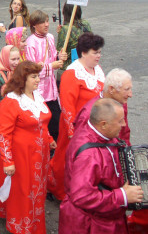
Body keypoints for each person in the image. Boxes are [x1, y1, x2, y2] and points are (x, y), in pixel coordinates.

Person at [58, 98, 143, 234]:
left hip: (104, 218)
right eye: (120, 121)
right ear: (103, 124)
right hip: (90, 225)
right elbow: (82, 196)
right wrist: (123, 195)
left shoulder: (102, 134)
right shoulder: (88, 156)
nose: (123, 125)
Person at [0, 61, 56, 234]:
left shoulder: (37, 95)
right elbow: (3, 134)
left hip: (40, 154)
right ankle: (21, 226)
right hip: (22, 155)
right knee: (22, 190)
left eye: (38, 76)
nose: (38, 80)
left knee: (37, 188)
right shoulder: (11, 101)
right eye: (34, 77)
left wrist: (49, 138)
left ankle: (35, 221)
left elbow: (42, 122)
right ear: (23, 79)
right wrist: (8, 161)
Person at [48, 32, 105, 201]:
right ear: (84, 53)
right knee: (65, 160)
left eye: (99, 52)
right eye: (95, 52)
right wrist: (73, 131)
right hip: (75, 127)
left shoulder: (98, 69)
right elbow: (67, 106)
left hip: (94, 127)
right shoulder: (72, 73)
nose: (98, 56)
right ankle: (59, 190)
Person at [25, 10, 67, 141]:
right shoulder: (31, 43)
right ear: (34, 25)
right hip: (39, 92)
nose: (47, 24)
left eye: (47, 21)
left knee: (57, 126)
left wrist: (60, 57)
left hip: (52, 90)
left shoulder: (50, 37)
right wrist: (51, 66)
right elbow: (32, 71)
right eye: (42, 22)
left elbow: (53, 56)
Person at [74, 68, 133, 145]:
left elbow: (124, 133)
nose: (130, 95)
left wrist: (127, 149)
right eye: (126, 89)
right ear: (111, 89)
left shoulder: (121, 102)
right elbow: (79, 142)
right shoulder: (89, 112)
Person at [0, 45, 21, 127]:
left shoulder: (17, 72)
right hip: (4, 120)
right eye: (13, 59)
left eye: (18, 59)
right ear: (5, 58)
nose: (16, 62)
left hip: (17, 117)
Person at [56, 3, 92, 71]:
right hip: (86, 63)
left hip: (71, 66)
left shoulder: (65, 29)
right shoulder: (85, 24)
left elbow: (60, 52)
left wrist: (60, 33)